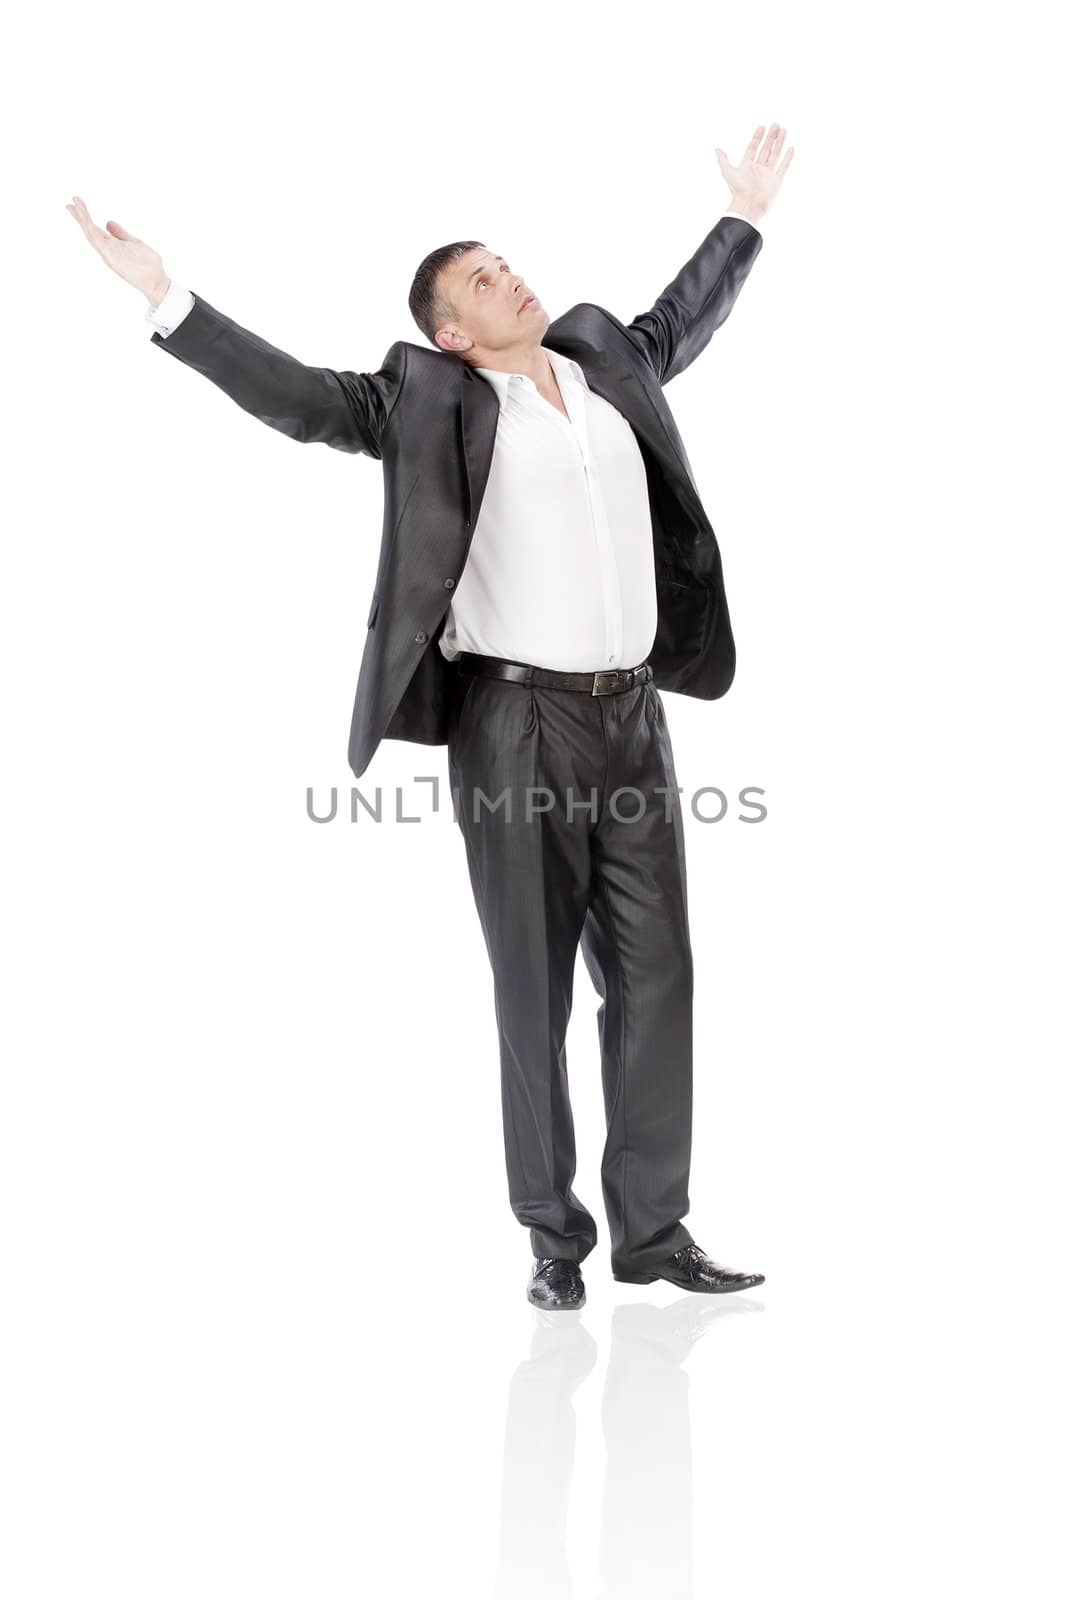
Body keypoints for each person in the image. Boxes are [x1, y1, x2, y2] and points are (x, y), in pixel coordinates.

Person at [67, 122, 795, 1309]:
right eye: (480, 278)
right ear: (449, 330)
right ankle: (553, 1241)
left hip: (633, 725)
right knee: (533, 990)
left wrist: (746, 219)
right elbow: (298, 399)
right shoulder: (425, 400)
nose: (509, 274)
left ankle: (654, 1233)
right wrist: (168, 300)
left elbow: (683, 316)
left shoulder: (607, 359)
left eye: (505, 259)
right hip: (514, 729)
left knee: (660, 977)